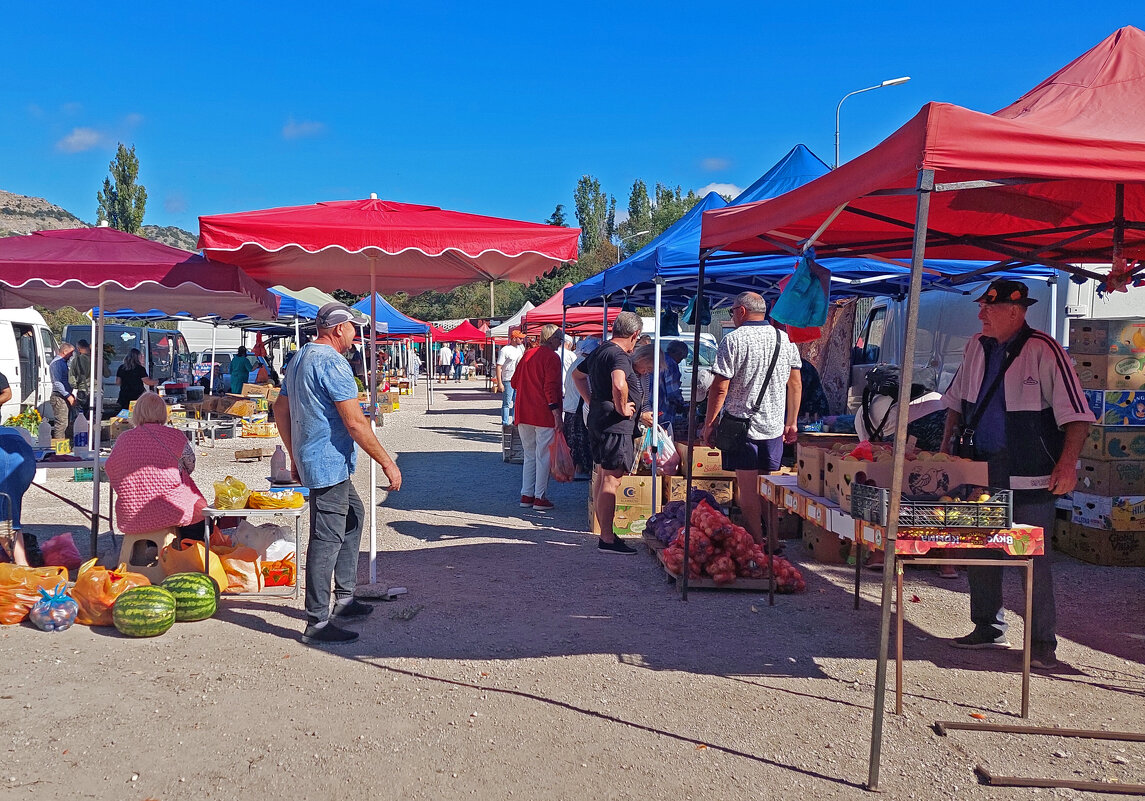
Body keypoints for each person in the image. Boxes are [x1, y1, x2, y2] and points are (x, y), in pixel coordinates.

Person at [941, 279, 1092, 670]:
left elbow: (1078, 416)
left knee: (1033, 559)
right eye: (981, 307)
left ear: (1015, 311)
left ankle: (1042, 643)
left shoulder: (1043, 348)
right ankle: (988, 627)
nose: (981, 314)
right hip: (980, 468)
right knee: (979, 548)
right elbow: (955, 402)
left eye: (988, 308)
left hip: (1030, 473)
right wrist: (945, 450)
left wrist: (1067, 464)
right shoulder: (976, 346)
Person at [274, 302, 403, 647]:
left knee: (353, 516)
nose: (355, 334)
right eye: (352, 328)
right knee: (326, 537)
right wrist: (387, 462)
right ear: (338, 329)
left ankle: (344, 599)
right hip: (327, 461)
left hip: (318, 458)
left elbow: (280, 408)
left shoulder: (300, 357)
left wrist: (294, 452)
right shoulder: (332, 362)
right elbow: (355, 422)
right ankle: (317, 621)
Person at [701, 292, 801, 551]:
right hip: (773, 427)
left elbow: (720, 387)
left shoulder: (733, 340)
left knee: (747, 490)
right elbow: (795, 383)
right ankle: (774, 540)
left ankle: (757, 544)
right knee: (767, 488)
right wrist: (791, 421)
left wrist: (710, 423)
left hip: (741, 427)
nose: (732, 316)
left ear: (742, 311)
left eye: (732, 311)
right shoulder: (784, 338)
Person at [573, 311, 644, 555]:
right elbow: (619, 383)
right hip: (614, 424)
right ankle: (607, 537)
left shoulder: (600, 350)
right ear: (635, 334)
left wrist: (591, 400)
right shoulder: (619, 355)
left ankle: (603, 531)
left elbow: (577, 376)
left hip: (599, 419)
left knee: (603, 474)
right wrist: (622, 407)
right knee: (612, 478)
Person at [104, 392, 208, 541]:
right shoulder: (175, 435)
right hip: (171, 511)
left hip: (130, 514)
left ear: (137, 412)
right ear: (163, 412)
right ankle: (187, 546)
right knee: (199, 512)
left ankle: (150, 545)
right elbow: (190, 463)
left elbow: (111, 468)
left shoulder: (123, 439)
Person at [512, 324, 564, 511]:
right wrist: (557, 414)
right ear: (551, 339)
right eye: (559, 339)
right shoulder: (552, 358)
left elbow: (514, 382)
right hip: (543, 413)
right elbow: (550, 388)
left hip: (523, 412)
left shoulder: (527, 354)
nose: (560, 343)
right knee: (543, 456)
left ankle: (526, 494)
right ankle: (539, 497)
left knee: (530, 455)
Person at [563, 337, 598, 480]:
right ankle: (580, 469)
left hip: (570, 406)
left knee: (573, 441)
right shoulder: (586, 364)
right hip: (579, 408)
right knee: (581, 441)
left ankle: (574, 468)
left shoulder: (576, 362)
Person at [68, 339, 109, 413]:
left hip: (82, 390)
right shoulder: (99, 359)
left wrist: (76, 386)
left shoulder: (76, 360)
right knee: (95, 414)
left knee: (81, 415)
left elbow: (72, 377)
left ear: (78, 349)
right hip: (97, 390)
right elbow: (107, 374)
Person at [496, 328, 526, 426]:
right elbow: (499, 366)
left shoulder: (521, 349)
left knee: (517, 403)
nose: (522, 340)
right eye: (520, 338)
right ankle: (505, 423)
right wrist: (499, 383)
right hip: (508, 379)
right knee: (507, 403)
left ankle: (514, 422)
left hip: (518, 380)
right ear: (514, 338)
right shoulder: (505, 350)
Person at [116, 347, 157, 412]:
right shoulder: (140, 369)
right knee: (137, 412)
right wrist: (158, 381)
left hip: (124, 395)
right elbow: (147, 382)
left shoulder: (121, 367)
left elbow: (118, 382)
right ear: (137, 358)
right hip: (137, 395)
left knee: (125, 413)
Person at [48, 342, 76, 440]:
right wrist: (68, 395)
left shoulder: (62, 363)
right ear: (65, 351)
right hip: (59, 396)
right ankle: (59, 446)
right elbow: (57, 382)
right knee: (61, 424)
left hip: (63, 395)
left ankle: (64, 444)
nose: (71, 355)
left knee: (66, 423)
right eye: (71, 353)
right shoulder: (57, 363)